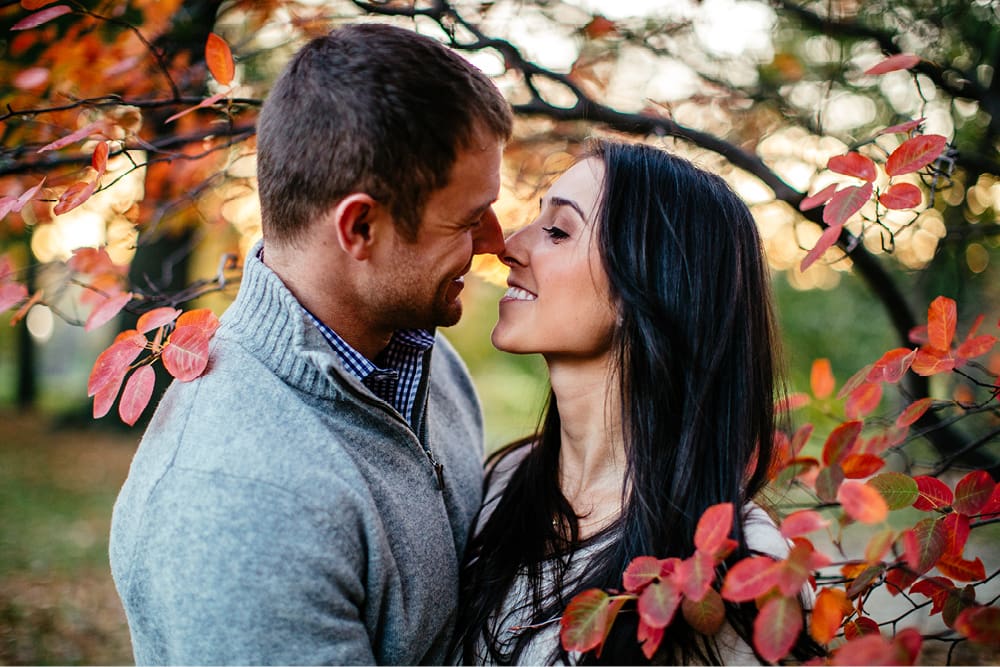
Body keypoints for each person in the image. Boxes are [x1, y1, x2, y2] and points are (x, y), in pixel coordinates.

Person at [109, 23, 512, 665]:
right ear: (360, 226)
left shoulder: (431, 366)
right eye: (467, 219)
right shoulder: (240, 505)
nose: (496, 241)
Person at [456, 141, 822, 664]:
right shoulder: (502, 483)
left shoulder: (735, 570)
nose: (509, 244)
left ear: (649, 284)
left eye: (558, 231)